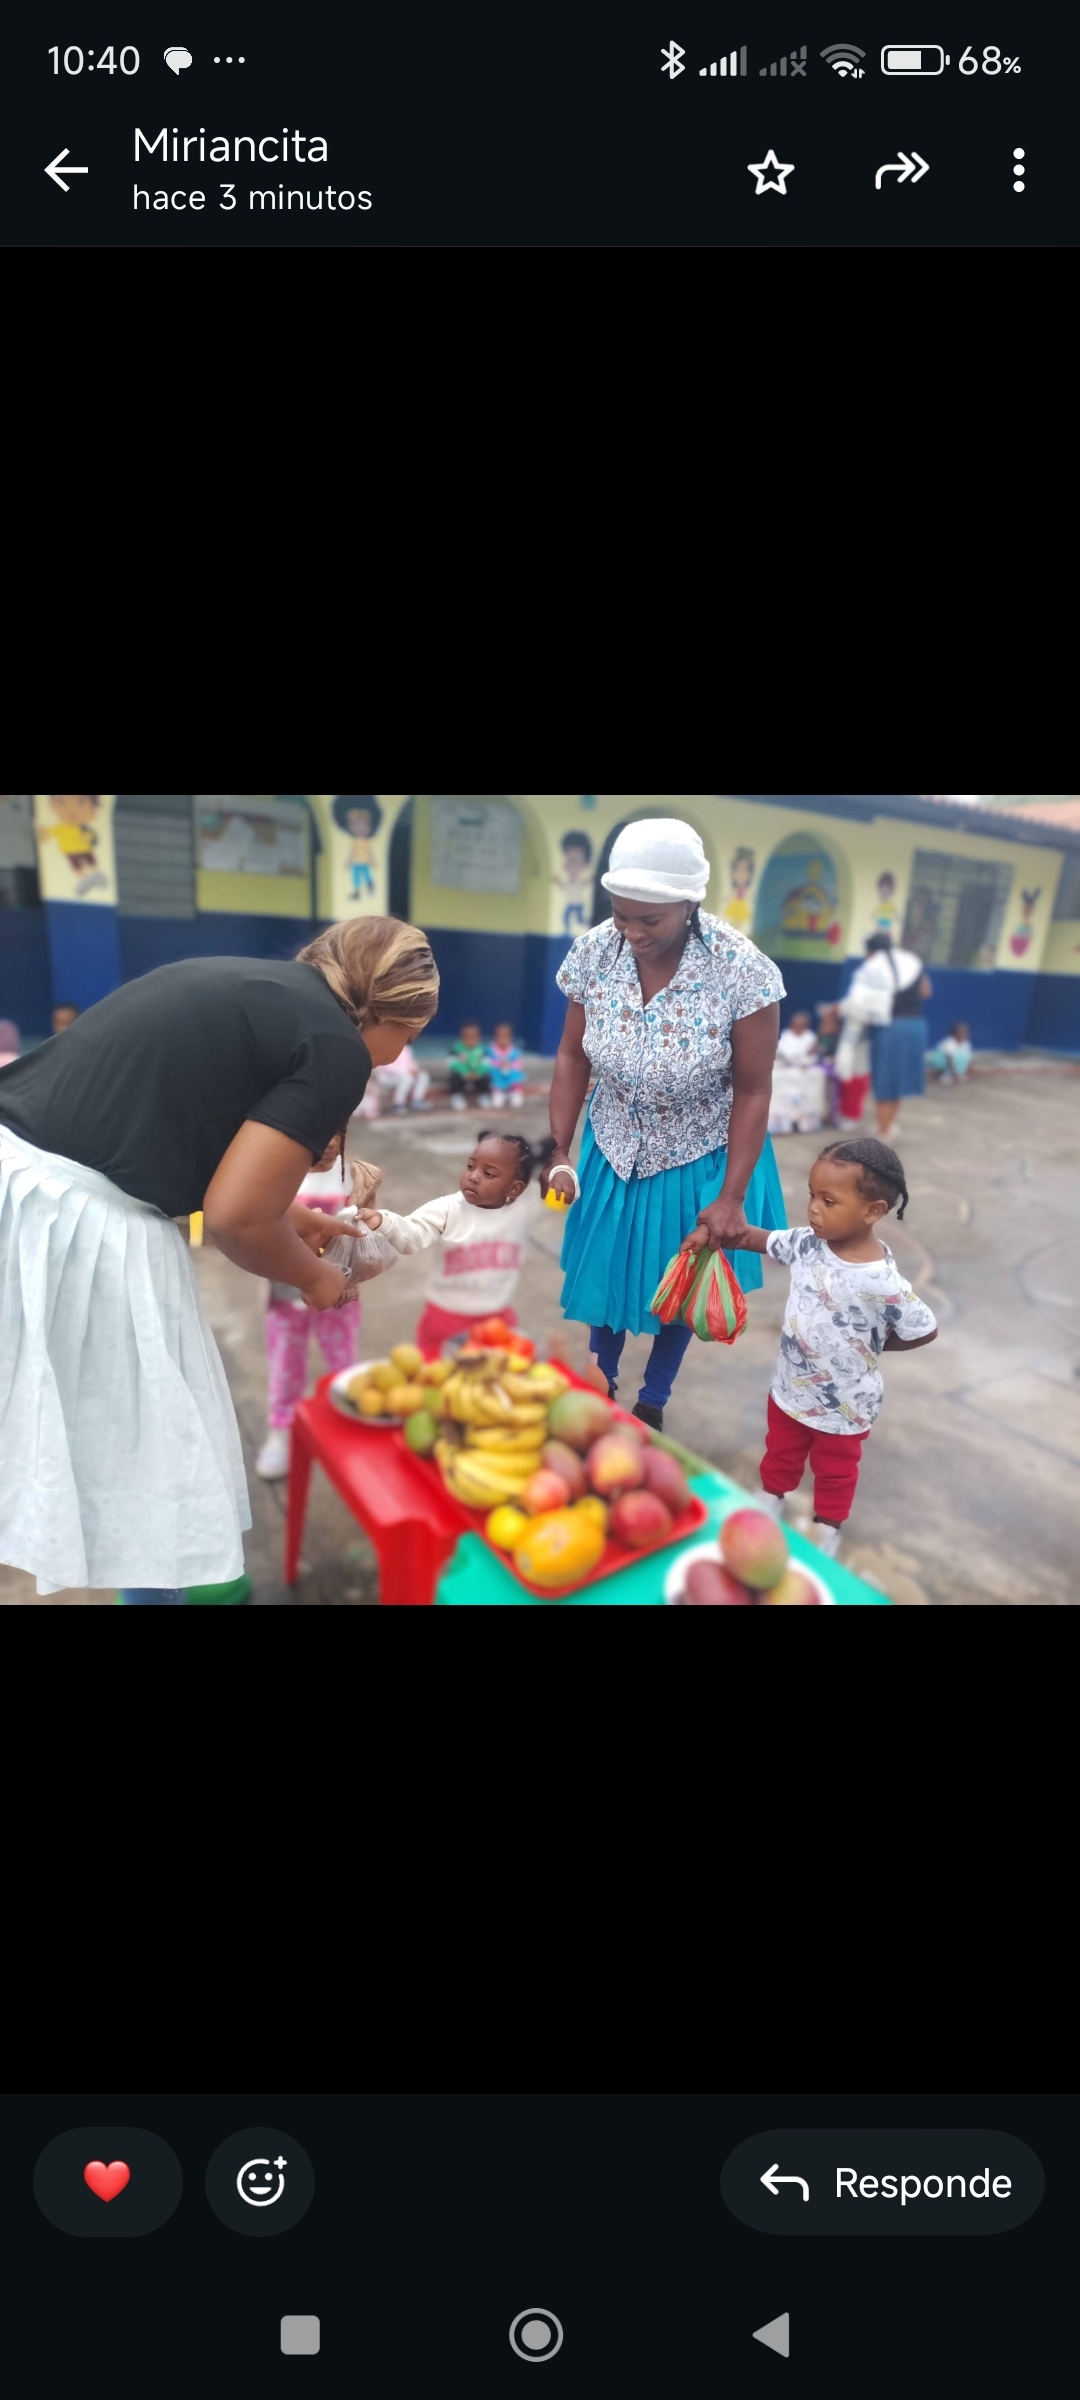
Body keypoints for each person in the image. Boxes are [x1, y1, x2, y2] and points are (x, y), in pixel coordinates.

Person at [0, 916, 439, 1601]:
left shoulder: (253, 989)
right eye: (406, 1039)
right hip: (72, 1219)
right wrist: (315, 1278)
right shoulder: (337, 1044)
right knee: (151, 1486)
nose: (394, 1058)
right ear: (386, 1014)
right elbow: (236, 1219)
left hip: (25, 1187)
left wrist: (288, 1218)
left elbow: (169, 1147)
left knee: (105, 1465)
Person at [542, 817, 786, 1431]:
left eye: (649, 919)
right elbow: (571, 1056)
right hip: (611, 1144)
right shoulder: (595, 952)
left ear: (689, 903)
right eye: (621, 914)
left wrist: (731, 1198)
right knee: (604, 1275)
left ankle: (653, 1400)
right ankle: (599, 1386)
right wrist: (559, 1150)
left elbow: (754, 1090)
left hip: (699, 1153)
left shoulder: (743, 971)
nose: (631, 932)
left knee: (679, 1278)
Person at [683, 1137, 937, 1558]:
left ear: (873, 1211)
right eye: (812, 1196)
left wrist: (868, 1346)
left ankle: (827, 1528)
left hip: (845, 1406)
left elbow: (923, 1329)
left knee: (835, 1471)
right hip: (790, 1387)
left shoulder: (882, 1281)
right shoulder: (807, 1244)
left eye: (829, 1201)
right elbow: (757, 1239)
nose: (814, 1208)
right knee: (780, 1451)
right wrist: (715, 1235)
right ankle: (770, 1496)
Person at [360, 1129, 556, 1357]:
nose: (473, 1177)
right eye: (471, 1166)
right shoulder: (448, 1209)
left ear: (516, 1188)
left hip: (497, 1321)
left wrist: (552, 1160)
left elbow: (565, 1193)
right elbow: (409, 1233)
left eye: (489, 1173)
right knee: (435, 1377)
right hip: (445, 1319)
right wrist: (382, 1219)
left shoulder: (527, 1205)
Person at [255, 1130, 362, 1480]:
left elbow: (368, 1236)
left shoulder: (357, 1177)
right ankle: (282, 1429)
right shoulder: (275, 1174)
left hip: (339, 1291)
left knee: (343, 1361)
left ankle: (348, 1423)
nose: (328, 1142)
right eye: (320, 1128)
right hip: (286, 1293)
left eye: (336, 1130)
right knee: (285, 1363)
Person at [844, 933, 932, 1140]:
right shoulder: (911, 962)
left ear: (870, 951)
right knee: (897, 1082)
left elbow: (858, 1003)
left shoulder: (874, 967)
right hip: (916, 1026)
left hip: (891, 1030)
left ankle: (883, 1133)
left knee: (884, 1083)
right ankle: (888, 1125)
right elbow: (926, 991)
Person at [366, 1042, 433, 1116]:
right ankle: (398, 1104)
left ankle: (417, 1100)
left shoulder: (406, 1048)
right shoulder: (386, 1048)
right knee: (407, 1078)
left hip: (405, 1075)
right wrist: (407, 1071)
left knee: (423, 1076)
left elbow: (411, 1062)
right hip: (387, 1078)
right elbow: (388, 1067)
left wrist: (415, 1070)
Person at [447, 1021, 491, 1111]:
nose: (470, 1039)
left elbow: (487, 1063)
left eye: (473, 1037)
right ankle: (457, 1096)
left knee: (487, 1076)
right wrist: (465, 1072)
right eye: (467, 1037)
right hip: (463, 1076)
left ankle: (484, 1095)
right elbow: (451, 1062)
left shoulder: (481, 1049)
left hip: (477, 1076)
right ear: (462, 1037)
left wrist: (478, 1072)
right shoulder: (457, 1048)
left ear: (478, 1037)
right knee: (454, 1076)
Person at [486, 1021, 526, 1110]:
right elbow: (487, 1061)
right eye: (500, 1036)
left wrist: (511, 1065)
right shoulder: (491, 1050)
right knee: (494, 1076)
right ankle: (498, 1093)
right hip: (497, 1072)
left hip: (510, 1071)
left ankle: (515, 1092)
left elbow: (518, 1063)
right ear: (495, 1037)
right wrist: (498, 1064)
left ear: (510, 1037)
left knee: (516, 1075)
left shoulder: (514, 1050)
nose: (503, 1039)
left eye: (506, 1036)